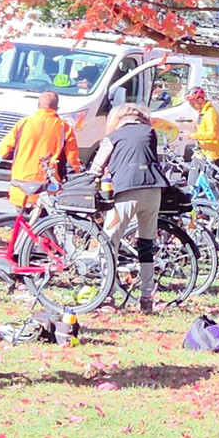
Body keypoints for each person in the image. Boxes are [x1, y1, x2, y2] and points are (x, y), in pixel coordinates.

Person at [87, 104, 169, 314]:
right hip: (153, 191)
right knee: (147, 244)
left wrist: (94, 179)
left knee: (109, 242)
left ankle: (107, 296)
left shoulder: (113, 136)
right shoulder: (150, 133)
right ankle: (146, 297)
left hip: (126, 192)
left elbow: (96, 167)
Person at [0, 91, 82, 210]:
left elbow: (4, 152)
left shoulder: (23, 124)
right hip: (47, 190)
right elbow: (72, 162)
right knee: (43, 226)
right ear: (57, 108)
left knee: (22, 225)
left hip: (21, 187)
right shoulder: (64, 128)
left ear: (38, 105)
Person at [179, 87, 219, 166]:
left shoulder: (210, 113)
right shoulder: (203, 112)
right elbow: (203, 131)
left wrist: (193, 136)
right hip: (202, 152)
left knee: (196, 176)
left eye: (192, 103)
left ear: (200, 100)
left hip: (209, 155)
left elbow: (212, 134)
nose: (192, 106)